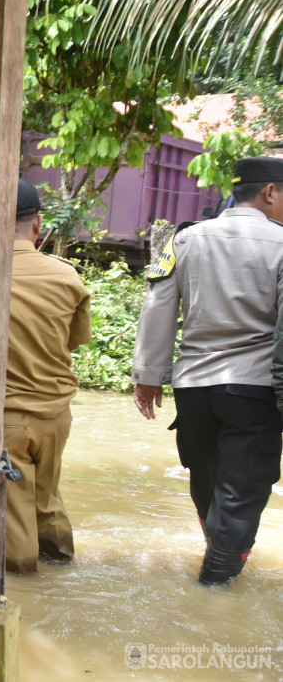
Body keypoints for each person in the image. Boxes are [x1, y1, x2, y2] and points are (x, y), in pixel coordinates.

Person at [133, 156, 283, 586]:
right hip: (254, 390)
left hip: (194, 388)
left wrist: (148, 376)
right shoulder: (281, 243)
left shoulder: (184, 241)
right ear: (270, 192)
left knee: (207, 479)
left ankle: (217, 556)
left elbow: (158, 308)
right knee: (242, 491)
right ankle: (213, 588)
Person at [4, 180, 91, 575]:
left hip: (7, 415)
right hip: (57, 415)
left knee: (14, 504)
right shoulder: (68, 277)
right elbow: (73, 342)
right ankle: (61, 562)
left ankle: (25, 585)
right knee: (47, 493)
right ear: (37, 225)